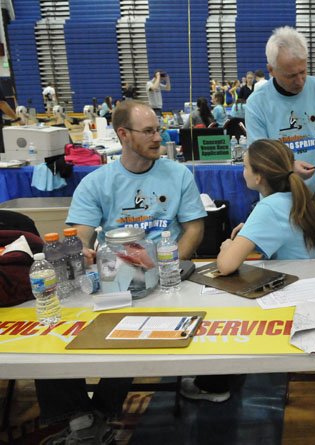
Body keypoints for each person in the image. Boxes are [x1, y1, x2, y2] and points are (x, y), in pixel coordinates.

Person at [35, 100, 206, 444]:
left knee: (131, 329)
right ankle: (85, 418)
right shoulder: (97, 182)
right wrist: (80, 251)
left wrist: (168, 267)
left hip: (166, 276)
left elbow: (194, 229)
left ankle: (89, 423)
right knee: (50, 333)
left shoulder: (178, 175)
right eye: (149, 131)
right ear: (123, 135)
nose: (158, 137)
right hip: (114, 276)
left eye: (159, 129)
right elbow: (80, 235)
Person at [245, 26, 315, 192]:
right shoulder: (257, 103)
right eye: (291, 76)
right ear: (271, 70)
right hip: (280, 198)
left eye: (303, 72)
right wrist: (289, 167)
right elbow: (260, 158)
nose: (300, 81)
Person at [216, 139, 315, 275]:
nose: (243, 171)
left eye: (245, 167)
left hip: (299, 283)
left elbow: (226, 266)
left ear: (258, 177)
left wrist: (227, 246)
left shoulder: (269, 207)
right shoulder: (301, 196)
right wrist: (252, 231)